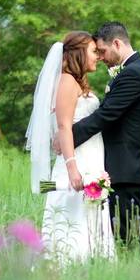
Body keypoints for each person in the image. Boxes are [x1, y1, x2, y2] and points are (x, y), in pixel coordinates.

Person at [26, 31, 114, 263]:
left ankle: (94, 267)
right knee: (71, 216)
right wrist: (72, 168)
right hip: (77, 164)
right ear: (78, 53)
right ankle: (67, 268)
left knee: (88, 216)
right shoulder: (66, 81)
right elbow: (64, 127)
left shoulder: (76, 82)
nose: (98, 56)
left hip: (91, 161)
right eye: (93, 51)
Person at [71, 22, 140, 259]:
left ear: (117, 43)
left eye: (102, 51)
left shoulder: (134, 74)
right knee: (123, 233)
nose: (101, 57)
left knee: (131, 234)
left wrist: (69, 136)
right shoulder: (131, 71)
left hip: (128, 168)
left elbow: (104, 116)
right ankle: (137, 277)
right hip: (122, 167)